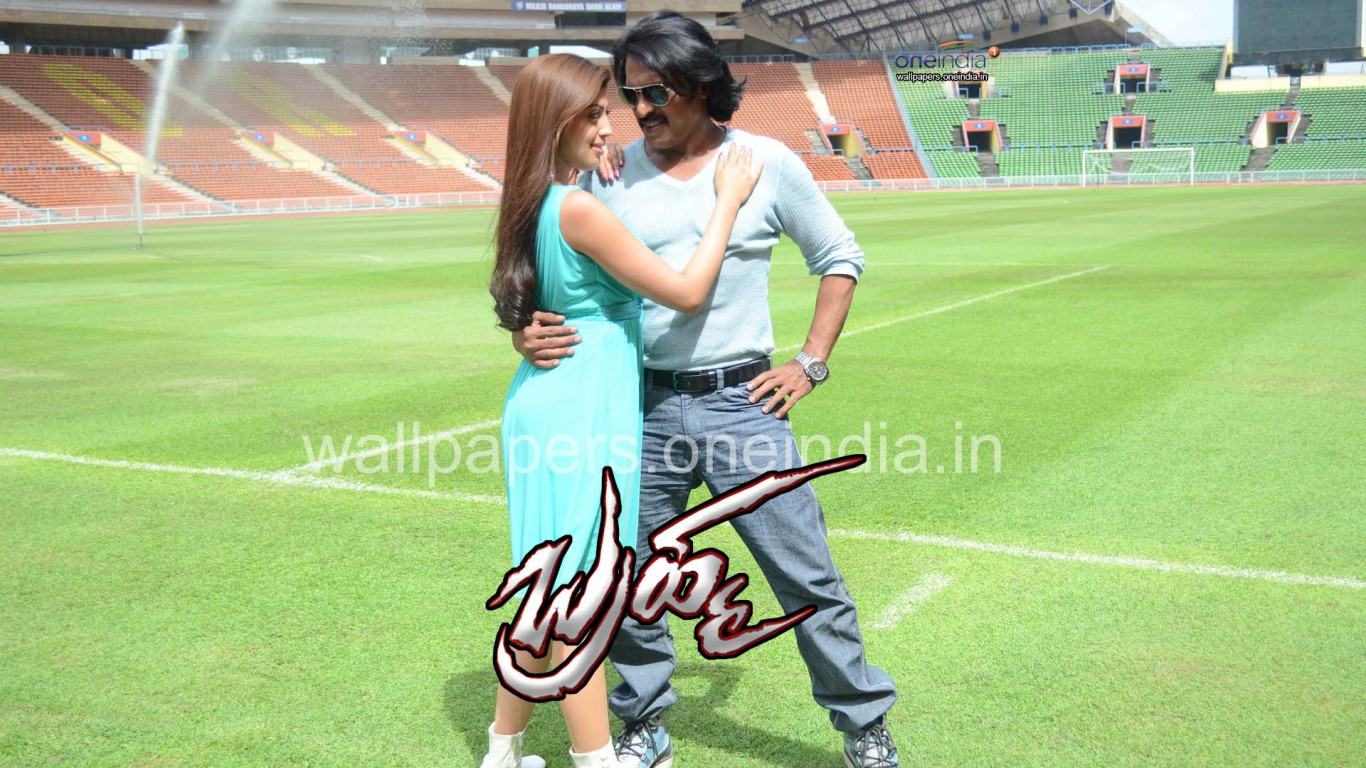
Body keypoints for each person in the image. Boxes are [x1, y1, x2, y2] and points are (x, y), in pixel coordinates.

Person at [512, 12, 900, 768]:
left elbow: (839, 257)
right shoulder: (606, 170)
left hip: (743, 406)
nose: (640, 109)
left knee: (804, 572)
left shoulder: (765, 162)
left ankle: (863, 724)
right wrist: (524, 329)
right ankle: (643, 721)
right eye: (630, 94)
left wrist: (810, 362)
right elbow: (552, 266)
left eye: (656, 92)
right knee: (625, 573)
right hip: (638, 405)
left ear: (700, 86)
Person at [483, 53, 761, 768]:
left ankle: (501, 752)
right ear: (556, 123)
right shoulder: (578, 209)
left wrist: (587, 168)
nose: (612, 128)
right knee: (579, 592)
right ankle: (597, 760)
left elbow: (541, 296)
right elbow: (686, 292)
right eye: (594, 116)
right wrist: (727, 200)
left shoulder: (539, 200)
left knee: (549, 584)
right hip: (580, 409)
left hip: (552, 401)